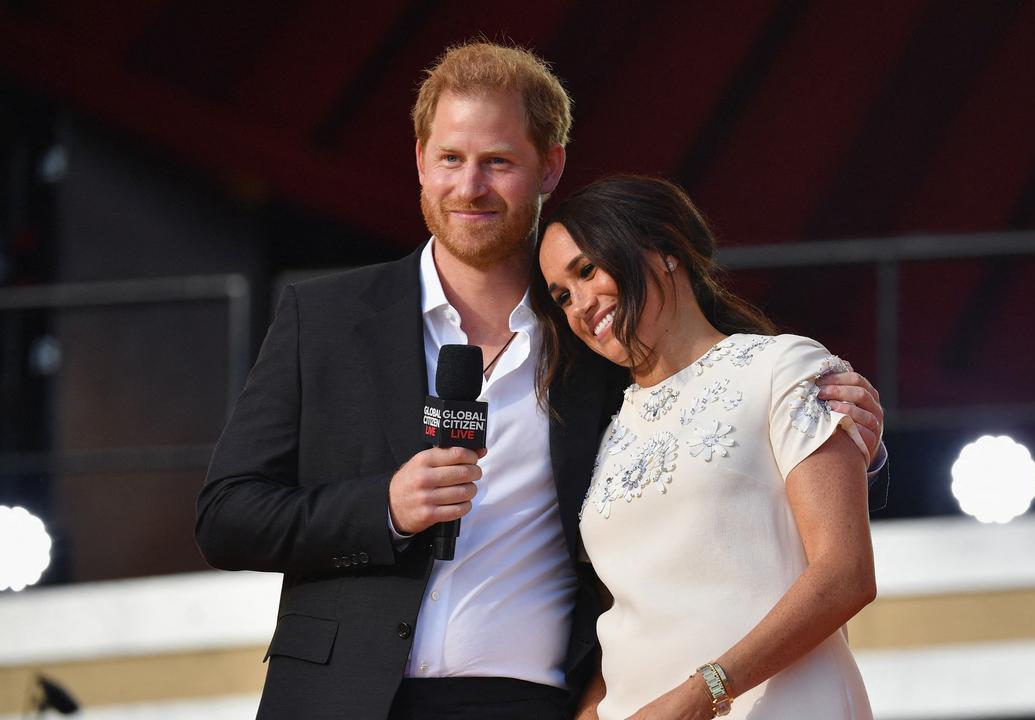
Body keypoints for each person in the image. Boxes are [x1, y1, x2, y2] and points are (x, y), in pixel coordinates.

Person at [196, 42, 885, 720]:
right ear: (419, 160)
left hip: (529, 702)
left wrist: (853, 436)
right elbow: (226, 516)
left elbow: (715, 426)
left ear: (549, 167)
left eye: (498, 162)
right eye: (451, 159)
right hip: (338, 699)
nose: (469, 187)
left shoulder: (601, 334)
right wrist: (384, 507)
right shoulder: (324, 318)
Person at [534, 175, 876, 719]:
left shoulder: (783, 368)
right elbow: (623, 622)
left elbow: (845, 576)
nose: (577, 305)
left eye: (586, 270)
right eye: (561, 296)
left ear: (666, 250)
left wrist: (704, 692)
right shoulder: (603, 438)